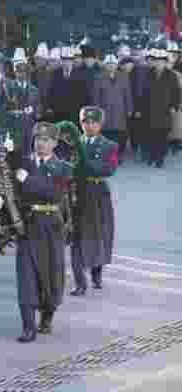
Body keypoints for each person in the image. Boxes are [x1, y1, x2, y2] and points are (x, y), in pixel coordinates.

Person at [14, 122, 71, 342]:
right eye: (38, 139)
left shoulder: (62, 167)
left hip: (51, 226)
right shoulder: (24, 163)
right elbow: (13, 192)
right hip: (28, 225)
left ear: (55, 143)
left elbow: (54, 193)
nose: (41, 144)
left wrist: (27, 180)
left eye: (46, 140)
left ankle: (47, 315)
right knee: (26, 275)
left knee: (50, 273)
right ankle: (28, 326)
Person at [69, 106, 119, 296]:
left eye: (93, 122)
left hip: (97, 194)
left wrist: (86, 165)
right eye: (85, 122)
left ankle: (96, 271)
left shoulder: (110, 146)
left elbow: (109, 169)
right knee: (76, 237)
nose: (89, 126)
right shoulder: (74, 143)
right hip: (77, 193)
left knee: (98, 235)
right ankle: (79, 282)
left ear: (100, 124)